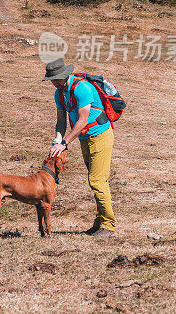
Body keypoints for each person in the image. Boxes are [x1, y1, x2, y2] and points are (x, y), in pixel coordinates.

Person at [43, 58, 116, 237]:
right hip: (85, 139)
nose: (53, 83)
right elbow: (61, 120)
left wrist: (65, 143)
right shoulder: (59, 93)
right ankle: (99, 223)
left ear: (64, 75)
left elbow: (83, 120)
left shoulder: (82, 88)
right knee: (98, 181)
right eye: (51, 79)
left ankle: (108, 225)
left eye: (56, 79)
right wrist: (57, 140)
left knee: (97, 181)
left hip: (100, 136)